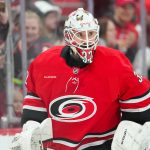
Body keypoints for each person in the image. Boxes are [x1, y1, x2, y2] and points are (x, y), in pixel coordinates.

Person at [11, 8, 150, 150]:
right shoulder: (43, 64)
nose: (87, 40)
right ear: (68, 35)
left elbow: (140, 110)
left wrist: (134, 135)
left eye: (90, 34)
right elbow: (33, 114)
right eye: (80, 34)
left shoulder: (115, 62)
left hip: (103, 145)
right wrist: (30, 131)